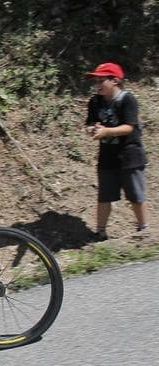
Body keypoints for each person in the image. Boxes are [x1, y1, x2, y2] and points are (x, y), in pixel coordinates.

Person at [85, 62, 149, 238]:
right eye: (96, 81)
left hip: (130, 154)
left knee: (136, 194)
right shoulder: (95, 101)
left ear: (115, 81)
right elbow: (90, 123)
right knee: (105, 195)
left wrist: (106, 131)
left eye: (101, 81)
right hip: (107, 155)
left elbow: (130, 127)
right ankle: (100, 232)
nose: (97, 85)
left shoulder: (127, 100)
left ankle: (144, 230)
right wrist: (92, 129)